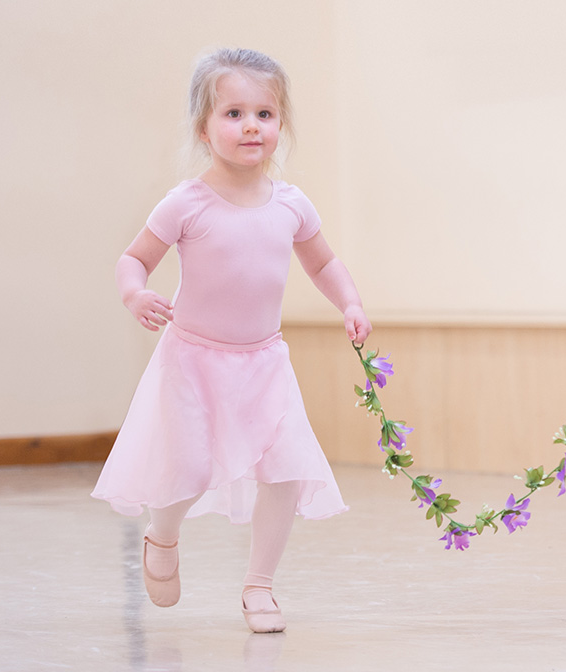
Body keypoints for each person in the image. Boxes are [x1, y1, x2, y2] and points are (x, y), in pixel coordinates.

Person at [92, 48, 371, 633]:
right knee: (188, 465)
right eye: (234, 114)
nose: (251, 126)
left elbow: (324, 263)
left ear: (280, 125)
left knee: (285, 469)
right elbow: (133, 259)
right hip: (193, 360)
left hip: (264, 362)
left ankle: (259, 586)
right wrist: (134, 294)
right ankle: (162, 535)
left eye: (265, 114)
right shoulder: (186, 203)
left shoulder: (291, 203)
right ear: (204, 128)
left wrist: (349, 302)